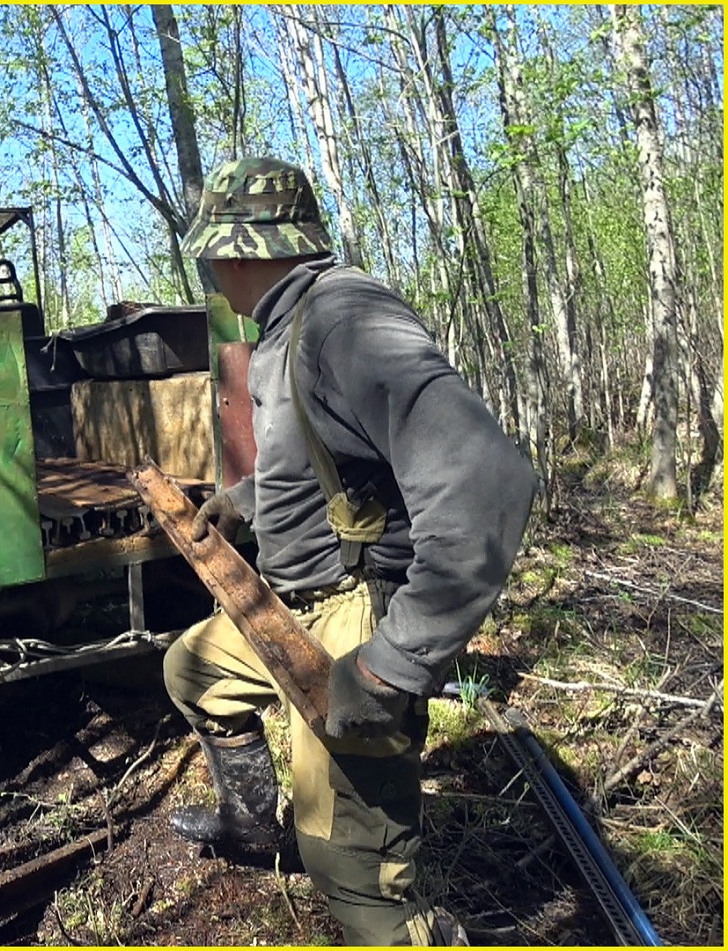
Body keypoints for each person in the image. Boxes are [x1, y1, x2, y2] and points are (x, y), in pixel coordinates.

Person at [163, 157, 538, 945]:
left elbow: (487, 478)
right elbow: (322, 463)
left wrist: (393, 663)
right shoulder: (285, 327)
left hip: (356, 612)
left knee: (359, 884)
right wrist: (241, 505)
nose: (210, 271)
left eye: (211, 255)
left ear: (239, 249)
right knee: (191, 669)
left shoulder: (345, 321)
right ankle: (259, 827)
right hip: (290, 603)